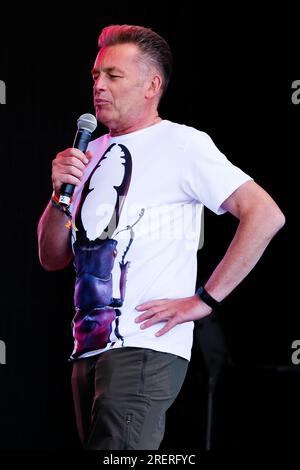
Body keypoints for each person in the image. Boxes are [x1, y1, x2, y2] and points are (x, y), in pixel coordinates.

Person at [37, 24, 285, 450]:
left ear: (152, 85)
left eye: (113, 76)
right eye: (96, 76)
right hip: (88, 348)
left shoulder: (181, 143)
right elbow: (51, 257)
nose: (99, 86)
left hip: (143, 345)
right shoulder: (89, 152)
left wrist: (204, 300)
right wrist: (59, 194)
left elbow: (265, 214)